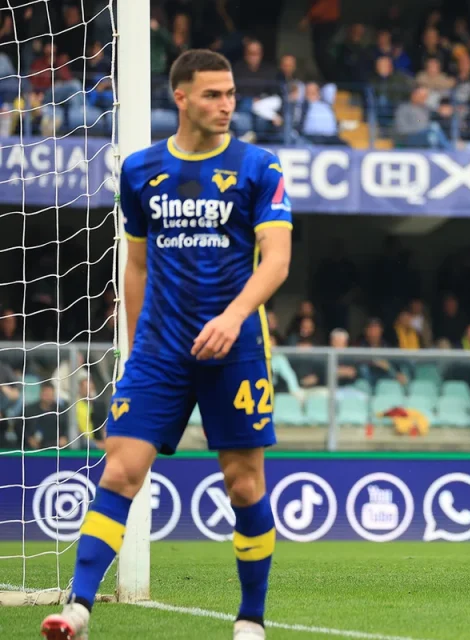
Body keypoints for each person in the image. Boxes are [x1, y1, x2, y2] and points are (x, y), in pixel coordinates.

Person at [41, 50, 292, 640]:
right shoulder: (141, 170)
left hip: (235, 348)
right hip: (159, 352)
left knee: (244, 483)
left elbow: (277, 260)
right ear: (180, 97)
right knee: (120, 471)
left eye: (230, 94)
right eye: (212, 94)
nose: (227, 105)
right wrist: (136, 341)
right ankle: (78, 608)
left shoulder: (259, 166)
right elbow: (135, 265)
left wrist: (233, 317)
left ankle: (250, 619)